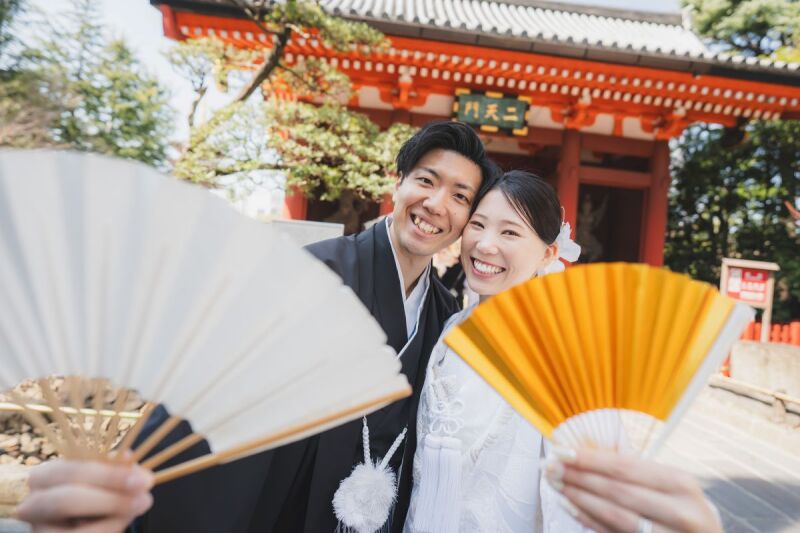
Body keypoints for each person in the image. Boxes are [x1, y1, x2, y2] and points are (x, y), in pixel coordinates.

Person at [15, 121, 498, 533]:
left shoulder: (441, 311)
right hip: (288, 503)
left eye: (460, 196)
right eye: (426, 181)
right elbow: (212, 382)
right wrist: (129, 476)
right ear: (398, 185)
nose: (437, 204)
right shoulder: (312, 274)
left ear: (467, 219)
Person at [403, 170, 723, 533]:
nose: (485, 244)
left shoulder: (563, 351)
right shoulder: (452, 328)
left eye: (510, 232)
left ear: (548, 253)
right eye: (478, 225)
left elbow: (589, 492)